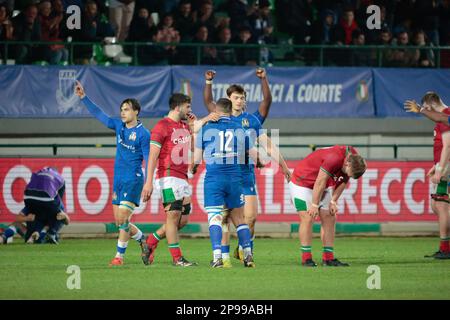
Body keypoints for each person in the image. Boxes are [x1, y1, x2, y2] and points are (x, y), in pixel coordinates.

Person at [203, 68, 291, 267]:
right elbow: (208, 102)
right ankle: (223, 257)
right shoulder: (219, 117)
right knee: (224, 217)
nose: (240, 101)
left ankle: (243, 250)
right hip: (226, 173)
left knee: (250, 218)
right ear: (228, 99)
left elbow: (268, 142)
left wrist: (283, 166)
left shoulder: (251, 121)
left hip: (246, 175)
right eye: (236, 97)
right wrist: (208, 83)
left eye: (243, 98)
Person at [74, 81, 150, 266]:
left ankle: (119, 257)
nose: (122, 112)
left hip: (133, 179)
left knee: (124, 217)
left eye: (126, 109)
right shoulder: (118, 126)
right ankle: (142, 239)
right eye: (121, 109)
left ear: (136, 112)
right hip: (118, 179)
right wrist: (84, 97)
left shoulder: (143, 134)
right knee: (119, 221)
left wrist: (148, 182)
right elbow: (100, 115)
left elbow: (149, 159)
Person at [194, 97, 255, 268]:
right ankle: (248, 256)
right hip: (235, 178)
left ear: (216, 110)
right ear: (229, 110)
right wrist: (261, 162)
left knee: (215, 217)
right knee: (239, 218)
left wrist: (192, 168)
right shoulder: (239, 128)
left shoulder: (207, 128)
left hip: (214, 179)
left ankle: (218, 258)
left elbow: (197, 159)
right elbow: (252, 153)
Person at [141, 93, 197, 267]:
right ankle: (177, 258)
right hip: (167, 177)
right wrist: (148, 182)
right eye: (187, 107)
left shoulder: (184, 126)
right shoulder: (161, 126)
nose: (190, 110)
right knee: (172, 217)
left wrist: (193, 127)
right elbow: (152, 157)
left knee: (183, 220)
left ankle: (150, 241)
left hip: (183, 178)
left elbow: (194, 149)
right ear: (178, 106)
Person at [289, 145, 366, 267]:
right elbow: (320, 181)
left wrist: (333, 201)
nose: (350, 177)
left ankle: (328, 258)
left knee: (330, 216)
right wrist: (314, 205)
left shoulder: (354, 158)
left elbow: (344, 180)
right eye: (351, 174)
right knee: (308, 217)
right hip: (301, 183)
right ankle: (306, 258)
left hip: (323, 184)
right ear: (347, 164)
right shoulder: (334, 158)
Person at [404, 93, 450, 259]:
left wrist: (440, 169)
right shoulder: (442, 119)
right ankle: (445, 246)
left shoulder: (445, 116)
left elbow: (448, 146)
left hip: (445, 166)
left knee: (441, 204)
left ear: (430, 106)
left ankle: (446, 249)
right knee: (436, 204)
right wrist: (435, 165)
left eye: (427, 109)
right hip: (442, 164)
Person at [1, 167, 70, 245]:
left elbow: (18, 218)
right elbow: (18, 218)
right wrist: (27, 218)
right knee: (19, 224)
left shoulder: (33, 204)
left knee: (18, 225)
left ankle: (4, 237)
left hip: (33, 227)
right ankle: (43, 235)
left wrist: (27, 218)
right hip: (37, 229)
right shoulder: (50, 206)